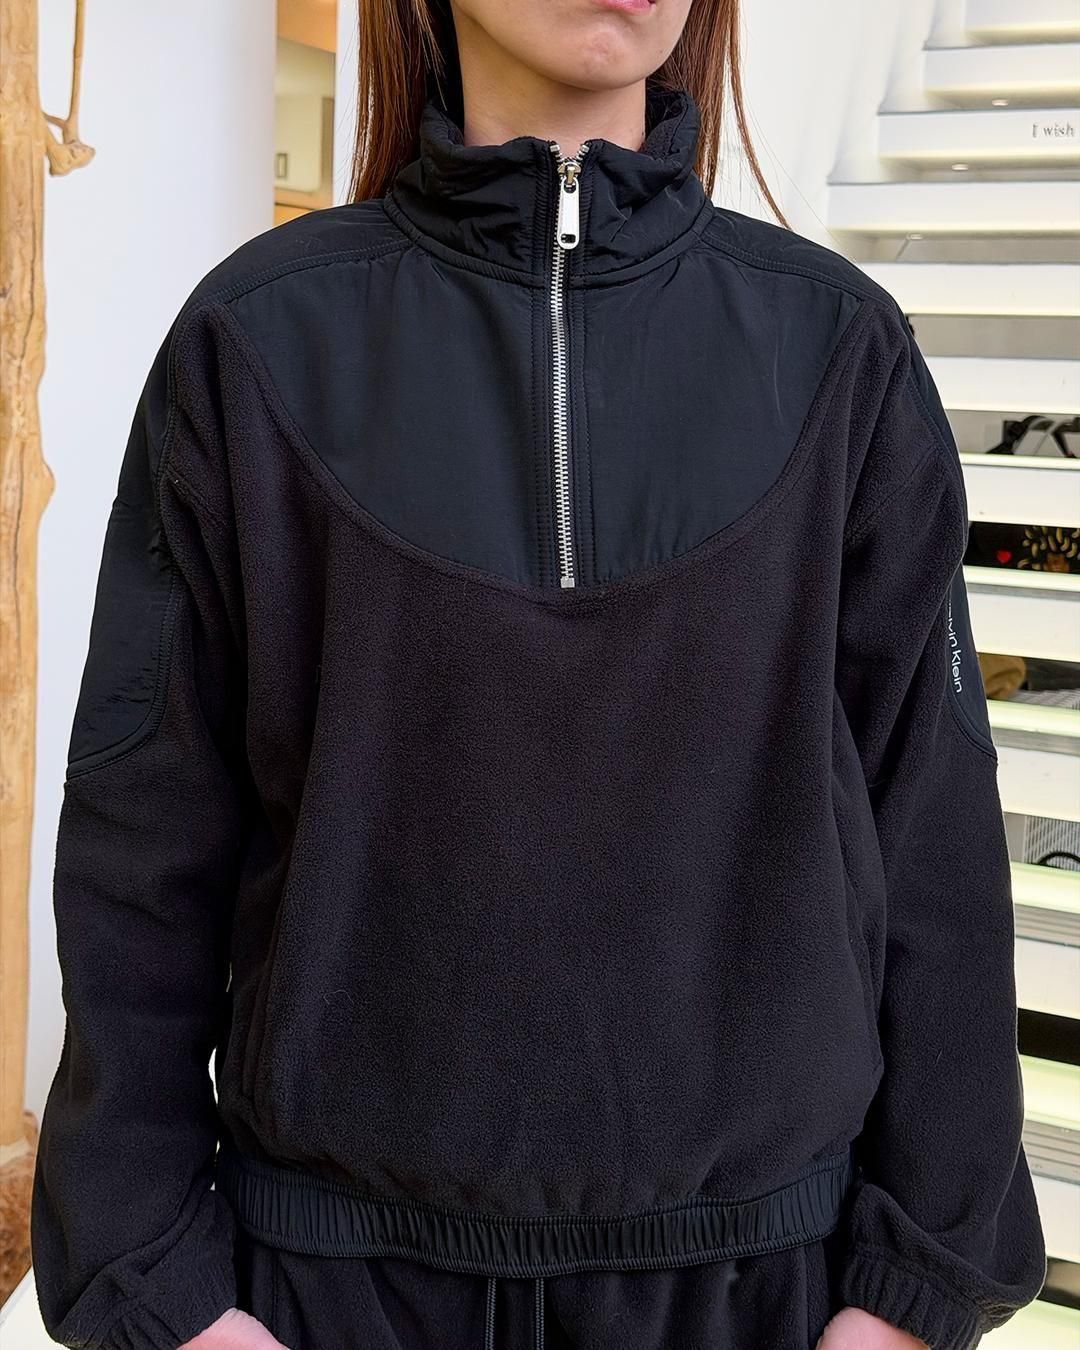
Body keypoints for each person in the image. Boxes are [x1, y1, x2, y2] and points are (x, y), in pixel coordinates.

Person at [30, 0, 1047, 1347]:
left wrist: (914, 1294)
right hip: (332, 1293)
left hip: (766, 1293)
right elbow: (142, 855)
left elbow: (936, 851)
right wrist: (159, 1285)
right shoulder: (258, 343)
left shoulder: (838, 353)